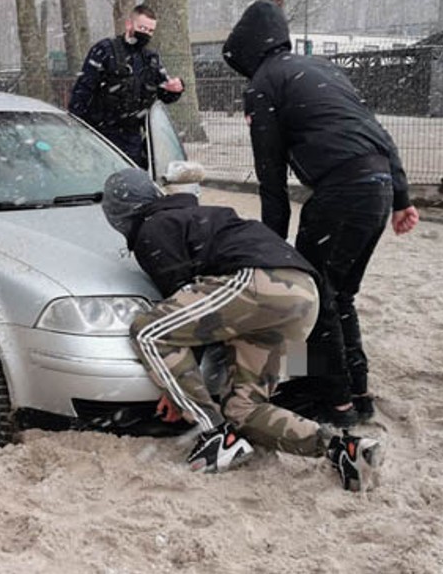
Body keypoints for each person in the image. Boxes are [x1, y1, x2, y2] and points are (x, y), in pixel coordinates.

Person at [101, 168, 383, 491]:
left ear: (118, 215)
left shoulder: (154, 229)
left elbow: (182, 318)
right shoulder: (192, 212)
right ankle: (343, 450)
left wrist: (175, 392)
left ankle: (215, 436)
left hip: (260, 281)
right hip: (305, 296)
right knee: (242, 409)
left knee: (148, 331)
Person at [222, 1, 420, 426]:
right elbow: (379, 135)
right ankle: (358, 391)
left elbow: (271, 179)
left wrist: (270, 249)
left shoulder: (263, 84)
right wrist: (401, 198)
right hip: (377, 186)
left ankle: (333, 401)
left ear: (246, 51)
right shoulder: (322, 69)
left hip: (342, 191)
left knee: (311, 294)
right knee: (338, 292)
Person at [68, 4, 185, 169]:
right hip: (100, 134)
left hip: (133, 138)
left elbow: (165, 94)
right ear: (129, 24)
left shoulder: (151, 59)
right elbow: (82, 91)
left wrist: (176, 89)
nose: (146, 33)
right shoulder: (105, 50)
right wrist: (76, 128)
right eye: (142, 27)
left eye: (150, 31)